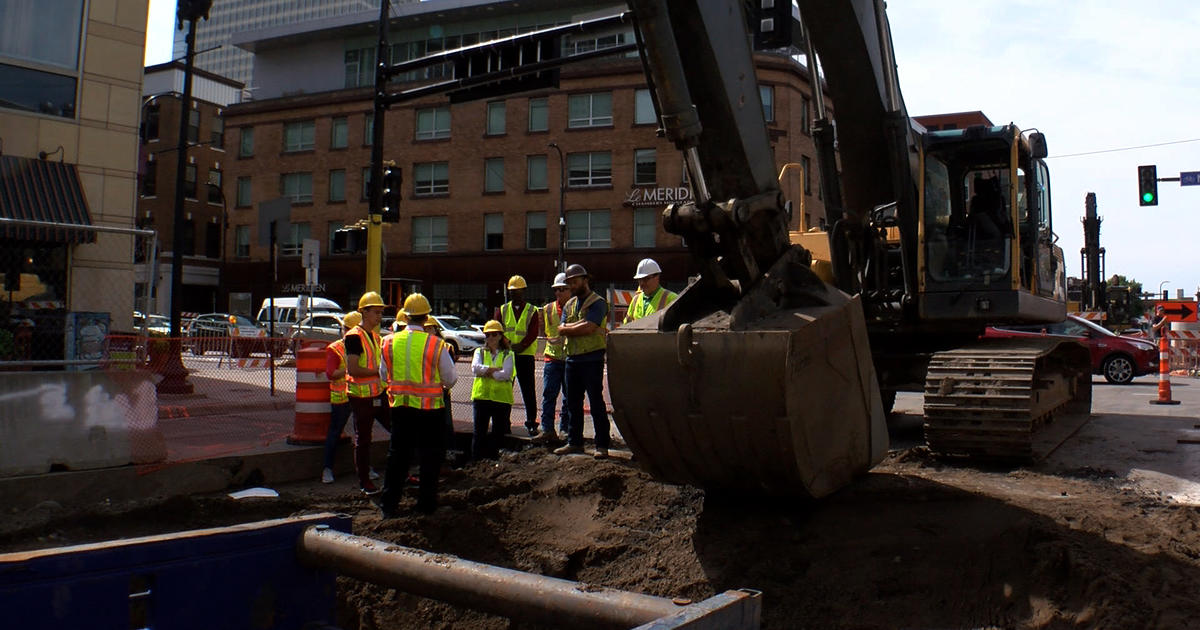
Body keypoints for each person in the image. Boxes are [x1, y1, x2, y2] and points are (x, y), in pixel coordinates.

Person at [378, 293, 457, 517]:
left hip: (400, 407)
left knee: (397, 457)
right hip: (430, 410)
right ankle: (426, 506)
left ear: (406, 316)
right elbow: (450, 378)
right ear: (426, 318)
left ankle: (389, 506)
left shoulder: (388, 341)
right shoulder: (436, 344)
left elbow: (383, 375)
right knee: (429, 458)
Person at [553, 264, 612, 459]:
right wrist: (576, 326)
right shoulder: (570, 304)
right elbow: (560, 328)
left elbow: (589, 327)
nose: (572, 285)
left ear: (585, 280)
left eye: (575, 282)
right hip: (572, 360)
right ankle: (574, 442)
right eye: (569, 283)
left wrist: (570, 327)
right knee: (573, 403)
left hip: (592, 358)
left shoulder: (598, 302)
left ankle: (602, 444)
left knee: (596, 402)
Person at [345, 291, 391, 494]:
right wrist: (379, 372)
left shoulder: (375, 336)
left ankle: (399, 473)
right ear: (364, 312)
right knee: (363, 439)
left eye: (381, 313)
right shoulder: (354, 336)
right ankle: (365, 481)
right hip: (361, 397)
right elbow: (353, 369)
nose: (379, 317)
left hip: (377, 394)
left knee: (396, 430)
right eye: (376, 313)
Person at [495, 275, 541, 437]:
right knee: (505, 390)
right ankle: (503, 422)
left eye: (518, 291)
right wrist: (507, 343)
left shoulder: (532, 310)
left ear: (524, 291)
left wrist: (522, 345)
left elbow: (533, 332)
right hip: (508, 355)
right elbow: (497, 329)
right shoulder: (502, 310)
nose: (515, 294)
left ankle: (531, 423)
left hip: (525, 355)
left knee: (528, 391)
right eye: (512, 291)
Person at [320, 310, 360, 484]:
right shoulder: (335, 348)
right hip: (342, 397)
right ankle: (327, 469)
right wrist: (350, 369)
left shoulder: (363, 346)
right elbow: (331, 373)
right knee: (335, 433)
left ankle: (364, 468)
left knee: (362, 434)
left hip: (359, 394)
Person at [470, 320, 515, 460]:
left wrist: (486, 372)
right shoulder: (480, 352)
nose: (490, 338)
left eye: (494, 334)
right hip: (481, 398)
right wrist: (493, 370)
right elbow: (474, 368)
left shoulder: (508, 354)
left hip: (501, 399)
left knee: (498, 434)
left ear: (500, 336)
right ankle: (475, 462)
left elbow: (506, 374)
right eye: (488, 335)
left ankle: (493, 462)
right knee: (479, 434)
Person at [534, 272, 571, 443]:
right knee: (549, 395)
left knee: (568, 397)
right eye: (557, 290)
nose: (559, 293)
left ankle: (565, 429)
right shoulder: (548, 309)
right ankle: (547, 429)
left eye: (562, 289)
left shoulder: (576, 307)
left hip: (569, 358)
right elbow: (547, 332)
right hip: (552, 358)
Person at [623, 258, 678, 324]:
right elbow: (626, 325)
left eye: (646, 279)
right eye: (639, 280)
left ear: (657, 277)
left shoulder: (672, 299)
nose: (642, 283)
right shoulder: (635, 300)